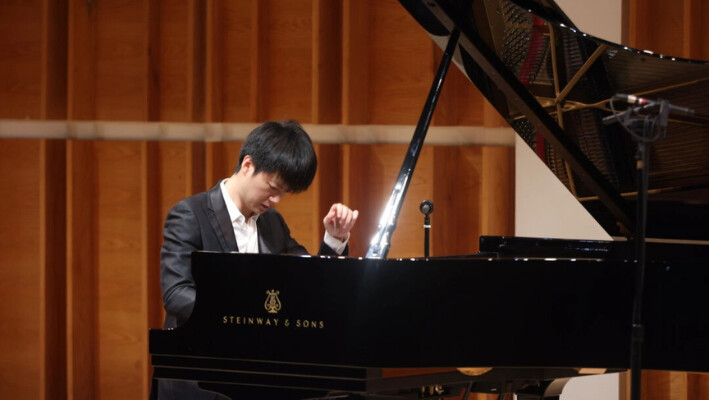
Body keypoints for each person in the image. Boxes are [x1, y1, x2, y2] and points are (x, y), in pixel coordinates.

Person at [156, 120, 358, 400]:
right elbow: (176, 294)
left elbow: (310, 280)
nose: (276, 200)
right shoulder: (190, 214)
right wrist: (244, 316)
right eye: (272, 187)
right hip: (200, 381)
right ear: (248, 165)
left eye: (284, 193)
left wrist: (334, 239)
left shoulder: (272, 223)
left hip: (253, 381)